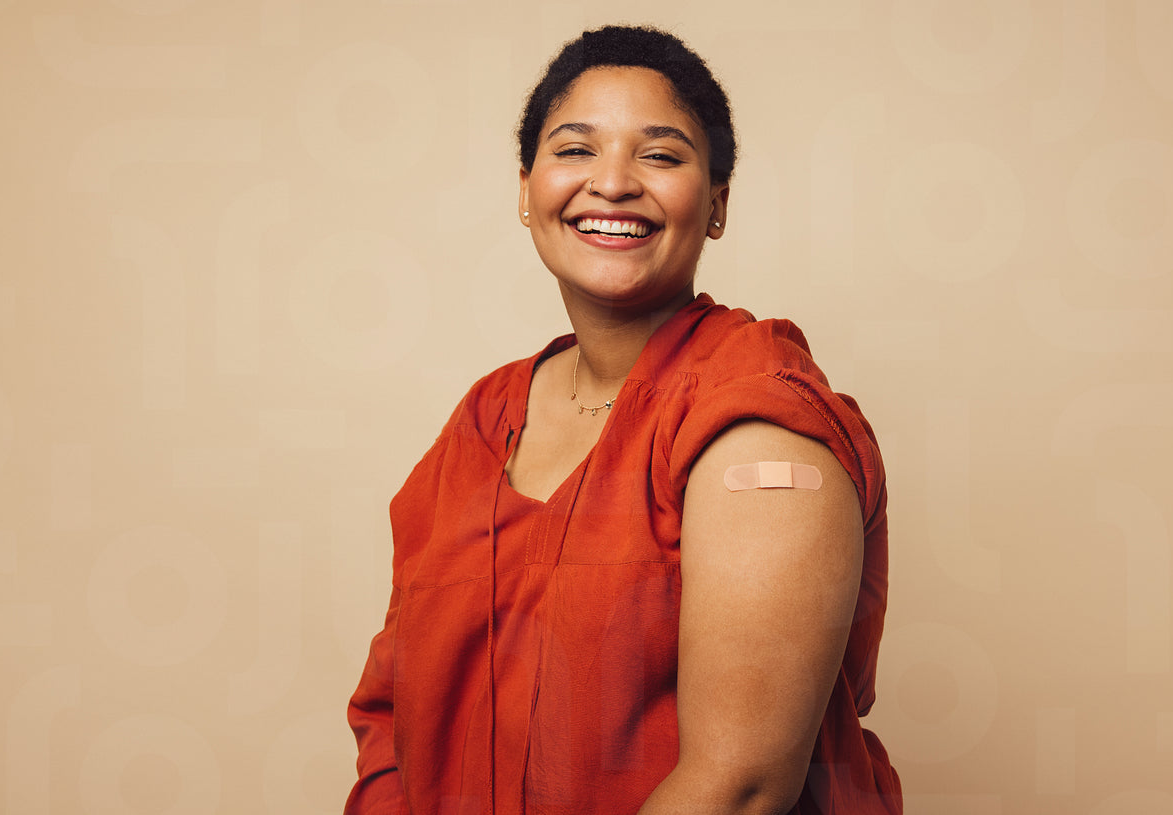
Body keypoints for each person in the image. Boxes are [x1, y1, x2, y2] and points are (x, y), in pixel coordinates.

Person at [345, 24, 900, 815]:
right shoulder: (482, 420)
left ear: (716, 205)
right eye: (575, 149)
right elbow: (390, 715)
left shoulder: (757, 419)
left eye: (661, 155)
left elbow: (739, 786)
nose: (611, 183)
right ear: (527, 189)